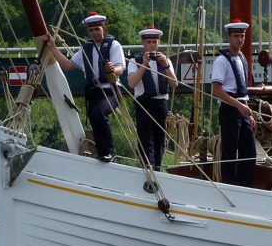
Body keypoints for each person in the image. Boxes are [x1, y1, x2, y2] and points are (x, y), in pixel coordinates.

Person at [40, 13, 125, 161]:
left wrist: (112, 69)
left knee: (99, 114)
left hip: (111, 91)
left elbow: (120, 68)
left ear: (103, 28)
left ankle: (109, 150)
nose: (94, 33)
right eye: (91, 31)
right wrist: (53, 47)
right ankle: (100, 151)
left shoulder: (113, 45)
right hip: (94, 92)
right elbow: (67, 65)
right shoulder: (86, 48)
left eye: (97, 29)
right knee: (93, 117)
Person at [211, 19, 256, 187]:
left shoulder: (242, 59)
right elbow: (217, 90)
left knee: (249, 153)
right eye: (236, 36)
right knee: (230, 152)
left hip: (242, 109)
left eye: (242, 36)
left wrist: (247, 110)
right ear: (229, 38)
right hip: (230, 110)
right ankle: (229, 186)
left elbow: (242, 91)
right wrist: (238, 106)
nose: (239, 40)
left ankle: (246, 187)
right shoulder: (221, 61)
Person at [126, 25, 177, 170]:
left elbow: (174, 84)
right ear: (143, 43)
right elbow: (131, 83)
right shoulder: (134, 61)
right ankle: (148, 168)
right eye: (149, 42)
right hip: (143, 103)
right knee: (145, 139)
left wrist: (166, 65)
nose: (152, 45)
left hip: (160, 103)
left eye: (155, 42)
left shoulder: (165, 60)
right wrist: (144, 64)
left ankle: (157, 169)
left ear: (159, 43)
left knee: (159, 139)